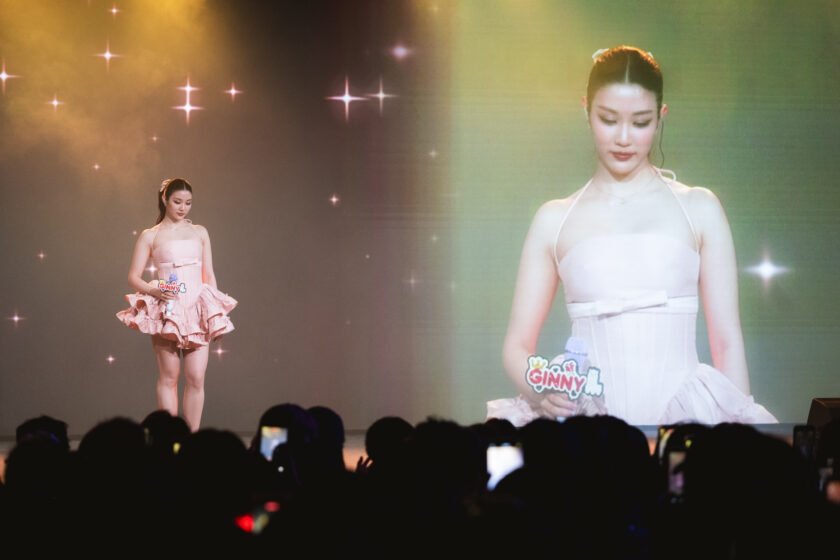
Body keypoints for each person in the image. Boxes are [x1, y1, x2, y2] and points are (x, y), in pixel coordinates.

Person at [487, 46, 776, 427]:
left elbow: (727, 343)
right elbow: (516, 346)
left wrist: (739, 436)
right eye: (608, 119)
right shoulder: (553, 220)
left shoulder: (699, 209)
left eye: (640, 122)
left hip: (686, 419)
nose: (623, 138)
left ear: (660, 117)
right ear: (586, 111)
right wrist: (544, 389)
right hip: (585, 423)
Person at [116, 178, 237, 431]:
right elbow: (133, 277)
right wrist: (155, 290)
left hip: (197, 308)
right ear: (165, 199)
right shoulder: (150, 236)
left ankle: (191, 439)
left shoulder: (200, 232)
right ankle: (169, 439)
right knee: (169, 377)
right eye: (177, 202)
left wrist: (216, 317)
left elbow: (209, 274)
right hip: (168, 308)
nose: (183, 208)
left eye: (188, 203)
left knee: (196, 378)